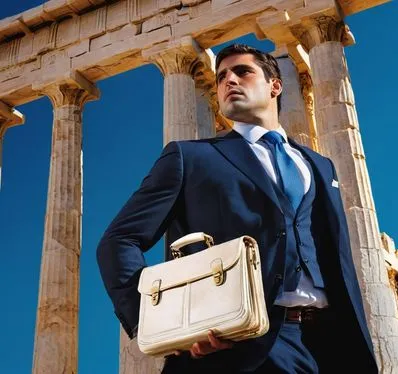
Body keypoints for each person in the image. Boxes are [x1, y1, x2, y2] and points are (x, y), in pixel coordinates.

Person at [97, 43, 379, 373]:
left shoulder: (320, 165)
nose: (229, 80)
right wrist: (159, 325)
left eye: (242, 72)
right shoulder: (189, 158)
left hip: (331, 345)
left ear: (275, 85)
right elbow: (119, 240)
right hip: (238, 347)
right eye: (221, 77)